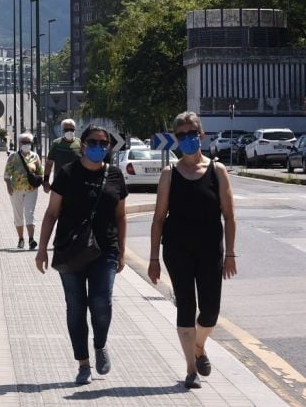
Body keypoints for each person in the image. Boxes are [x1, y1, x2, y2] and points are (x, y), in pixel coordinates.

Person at [148, 111, 237, 390]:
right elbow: (159, 218)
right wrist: (152, 258)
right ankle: (190, 369)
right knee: (186, 306)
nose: (187, 139)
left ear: (201, 135)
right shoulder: (169, 174)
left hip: (211, 250)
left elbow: (230, 216)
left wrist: (231, 253)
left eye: (192, 134)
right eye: (181, 136)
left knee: (210, 311)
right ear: (177, 140)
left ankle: (199, 346)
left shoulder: (217, 171)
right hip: (177, 250)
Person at [35, 124, 127, 385]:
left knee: (101, 302)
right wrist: (42, 249)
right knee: (76, 307)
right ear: (83, 145)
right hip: (70, 250)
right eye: (94, 142)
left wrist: (122, 251)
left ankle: (100, 345)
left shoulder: (115, 176)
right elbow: (52, 213)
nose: (99, 147)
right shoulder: (67, 173)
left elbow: (121, 217)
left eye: (103, 143)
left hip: (105, 250)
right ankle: (83, 363)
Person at [4, 132, 44, 250]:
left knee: (29, 214)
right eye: (24, 142)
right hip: (16, 189)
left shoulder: (35, 156)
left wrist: (39, 181)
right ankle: (21, 238)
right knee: (18, 215)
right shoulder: (13, 157)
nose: (26, 144)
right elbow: (7, 174)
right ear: (19, 143)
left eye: (28, 142)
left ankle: (31, 239)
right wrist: (8, 186)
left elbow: (40, 172)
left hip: (31, 190)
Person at [43, 118, 81, 192]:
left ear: (75, 130)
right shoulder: (56, 144)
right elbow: (49, 163)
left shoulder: (80, 143)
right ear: (62, 130)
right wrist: (46, 181)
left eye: (71, 129)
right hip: (59, 181)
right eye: (66, 129)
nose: (69, 131)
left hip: (76, 182)